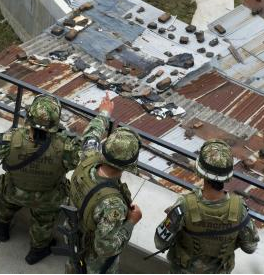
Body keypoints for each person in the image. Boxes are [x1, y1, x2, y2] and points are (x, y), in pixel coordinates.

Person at [0, 94, 112, 265]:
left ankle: (1, 227)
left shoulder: (7, 141)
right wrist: (104, 114)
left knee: (6, 204)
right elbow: (90, 150)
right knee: (43, 223)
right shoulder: (67, 149)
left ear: (29, 117)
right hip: (47, 197)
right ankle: (37, 251)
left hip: (14, 190)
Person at [154, 139, 259, 274]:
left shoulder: (183, 206)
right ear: (227, 175)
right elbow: (250, 247)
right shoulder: (239, 209)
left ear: (200, 171)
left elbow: (160, 243)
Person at [69, 93, 142, 274]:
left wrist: (104, 114)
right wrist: (131, 222)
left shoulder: (88, 157)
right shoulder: (112, 205)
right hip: (93, 257)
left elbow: (91, 134)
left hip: (74, 230)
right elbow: (106, 248)